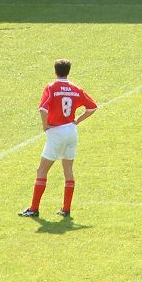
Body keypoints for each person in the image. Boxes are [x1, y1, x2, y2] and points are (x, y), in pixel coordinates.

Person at [20, 58, 98, 218]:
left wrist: (45, 126)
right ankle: (66, 209)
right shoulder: (76, 88)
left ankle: (34, 209)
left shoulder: (51, 87)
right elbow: (92, 107)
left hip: (56, 132)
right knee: (68, 170)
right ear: (68, 71)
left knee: (41, 170)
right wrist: (77, 120)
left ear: (55, 71)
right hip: (71, 131)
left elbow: (43, 108)